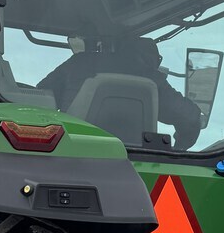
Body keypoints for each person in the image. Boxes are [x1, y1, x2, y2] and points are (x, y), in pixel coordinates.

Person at [43, 35, 202, 149]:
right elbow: (190, 117)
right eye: (157, 59)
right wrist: (176, 153)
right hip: (135, 163)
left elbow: (40, 98)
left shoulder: (78, 63)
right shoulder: (152, 80)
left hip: (68, 151)